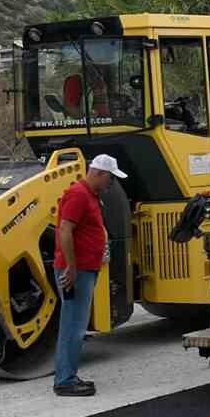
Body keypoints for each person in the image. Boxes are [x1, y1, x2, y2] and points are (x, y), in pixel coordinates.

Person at [52, 153, 127, 397]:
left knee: (73, 324)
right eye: (110, 178)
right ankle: (65, 380)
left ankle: (67, 375)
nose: (111, 184)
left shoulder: (90, 196)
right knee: (73, 325)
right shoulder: (78, 194)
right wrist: (71, 268)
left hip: (84, 269)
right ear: (98, 173)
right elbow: (65, 230)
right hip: (77, 271)